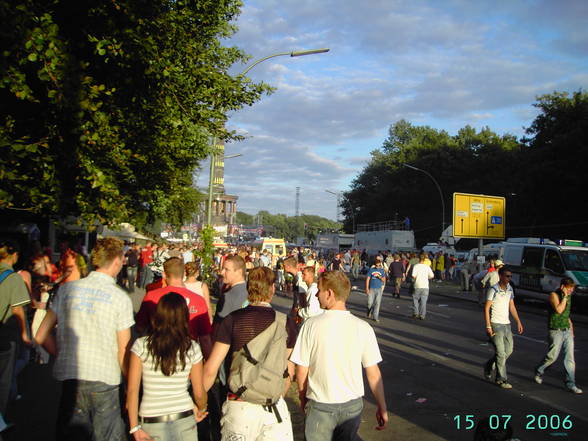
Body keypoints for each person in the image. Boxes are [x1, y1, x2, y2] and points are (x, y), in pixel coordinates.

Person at [35, 237, 134, 441]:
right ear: (116, 261)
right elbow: (123, 349)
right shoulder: (119, 298)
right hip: (105, 378)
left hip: (72, 376)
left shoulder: (67, 290)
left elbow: (40, 334)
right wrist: (129, 385)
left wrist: (62, 353)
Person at [290, 270, 388, 441]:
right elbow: (373, 373)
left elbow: (302, 369)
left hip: (321, 405)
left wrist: (303, 397)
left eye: (319, 291)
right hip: (352, 406)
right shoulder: (363, 327)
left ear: (329, 294)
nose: (316, 296)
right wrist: (382, 406)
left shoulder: (311, 325)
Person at [203, 267, 297, 441]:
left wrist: (200, 403)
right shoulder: (286, 323)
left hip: (240, 405)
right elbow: (287, 369)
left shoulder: (233, 320)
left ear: (248, 288)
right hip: (273, 407)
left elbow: (211, 368)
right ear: (273, 288)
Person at [127, 292, 208, 441]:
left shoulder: (141, 346)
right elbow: (198, 392)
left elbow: (132, 390)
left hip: (152, 418)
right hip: (183, 416)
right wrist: (201, 408)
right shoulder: (192, 348)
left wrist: (134, 427)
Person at [136, 257, 212, 359]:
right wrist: (209, 363)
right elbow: (205, 339)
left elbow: (140, 328)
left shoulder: (151, 296)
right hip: (188, 357)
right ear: (184, 274)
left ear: (163, 274)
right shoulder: (198, 300)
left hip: (157, 354)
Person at [534, 277, 583, 394]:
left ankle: (570, 383)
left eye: (572, 289)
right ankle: (539, 370)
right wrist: (565, 297)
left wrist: (571, 326)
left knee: (570, 358)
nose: (571, 291)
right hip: (555, 330)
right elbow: (559, 310)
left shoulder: (569, 296)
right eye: (569, 288)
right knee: (552, 356)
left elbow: (566, 314)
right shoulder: (553, 295)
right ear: (563, 286)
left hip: (566, 330)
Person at [0, 240, 31, 415]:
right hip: (5, 335)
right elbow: (18, 309)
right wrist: (25, 335)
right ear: (14, 256)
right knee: (4, 380)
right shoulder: (13, 278)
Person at [483, 266, 524, 389]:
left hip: (506, 324)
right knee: (501, 353)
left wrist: (518, 321)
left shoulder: (510, 289)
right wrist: (488, 326)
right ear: (500, 276)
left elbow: (512, 306)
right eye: (507, 276)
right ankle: (501, 379)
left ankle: (489, 365)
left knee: (509, 350)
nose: (509, 278)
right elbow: (486, 308)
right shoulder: (493, 289)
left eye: (510, 276)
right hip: (496, 324)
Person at [213, 255, 248, 325]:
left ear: (239, 272)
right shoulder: (251, 290)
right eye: (223, 268)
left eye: (226, 269)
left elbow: (220, 327)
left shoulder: (228, 297)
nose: (222, 272)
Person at [411, 253, 434, 320]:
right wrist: (427, 277)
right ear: (424, 259)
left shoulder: (416, 266)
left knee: (415, 300)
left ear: (419, 259)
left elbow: (413, 275)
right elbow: (432, 275)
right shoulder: (427, 267)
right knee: (423, 301)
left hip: (417, 285)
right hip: (425, 286)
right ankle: (422, 315)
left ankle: (416, 313)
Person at [365, 257, 386, 322]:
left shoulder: (382, 271)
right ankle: (369, 310)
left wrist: (379, 277)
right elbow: (368, 279)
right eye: (377, 265)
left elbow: (384, 280)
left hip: (379, 289)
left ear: (381, 265)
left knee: (377, 303)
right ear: (375, 265)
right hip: (371, 288)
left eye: (379, 265)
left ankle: (375, 317)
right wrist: (367, 288)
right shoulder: (371, 270)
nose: (378, 266)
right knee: (369, 303)